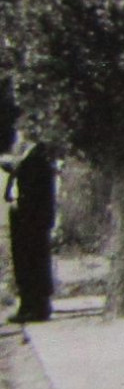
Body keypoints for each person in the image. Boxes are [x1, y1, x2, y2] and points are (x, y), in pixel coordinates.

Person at [3, 132, 56, 324]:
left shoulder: (36, 159)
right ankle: (32, 304)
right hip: (27, 218)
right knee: (28, 264)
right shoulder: (30, 158)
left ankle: (34, 306)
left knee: (31, 264)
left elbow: (34, 191)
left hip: (31, 220)